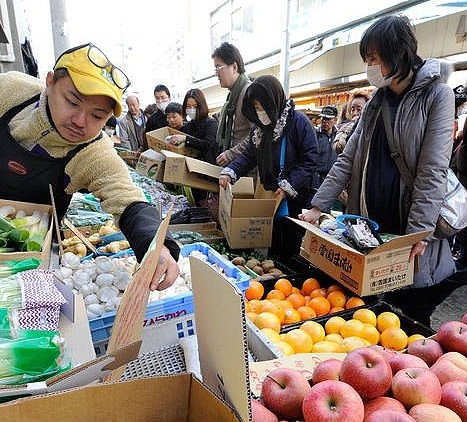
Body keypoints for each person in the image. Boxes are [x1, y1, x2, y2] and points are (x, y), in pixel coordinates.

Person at [299, 15, 457, 327]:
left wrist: (419, 232)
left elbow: (432, 170)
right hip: (372, 225)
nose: (369, 67)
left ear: (398, 54)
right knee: (367, 314)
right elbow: (347, 159)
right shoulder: (376, 102)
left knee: (408, 315)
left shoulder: (437, 96)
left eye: (373, 58)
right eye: (367, 59)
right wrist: (317, 206)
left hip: (409, 226)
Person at [0, 42, 179, 291]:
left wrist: (155, 245)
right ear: (50, 82)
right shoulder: (10, 90)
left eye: (97, 116)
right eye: (72, 102)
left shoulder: (93, 151)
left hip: (27, 257)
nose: (80, 122)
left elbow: (127, 199)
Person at [219, 75, 318, 258]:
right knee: (271, 247)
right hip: (269, 197)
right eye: (256, 108)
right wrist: (230, 172)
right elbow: (249, 156)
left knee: (290, 247)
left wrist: (289, 184)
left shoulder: (298, 122)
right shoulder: (260, 129)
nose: (260, 112)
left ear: (273, 101)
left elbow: (310, 160)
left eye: (261, 107)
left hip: (295, 201)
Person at [212, 42, 253, 167]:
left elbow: (257, 134)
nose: (216, 73)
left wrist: (230, 154)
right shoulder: (232, 95)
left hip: (247, 169)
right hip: (235, 167)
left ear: (234, 67)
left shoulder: (249, 92)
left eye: (219, 67)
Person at [166, 88, 218, 164]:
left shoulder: (211, 123)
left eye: (195, 106)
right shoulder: (189, 125)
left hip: (209, 165)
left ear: (201, 106)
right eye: (188, 106)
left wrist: (185, 139)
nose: (191, 109)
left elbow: (208, 144)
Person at [332, 89, 372, 155]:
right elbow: (338, 148)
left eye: (359, 109)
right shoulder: (346, 128)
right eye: (352, 109)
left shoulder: (373, 130)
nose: (354, 113)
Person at [312, 105, 338, 193]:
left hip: (333, 181)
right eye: (323, 118)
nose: (324, 121)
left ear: (335, 120)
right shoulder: (314, 135)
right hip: (316, 180)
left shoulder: (339, 136)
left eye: (328, 119)